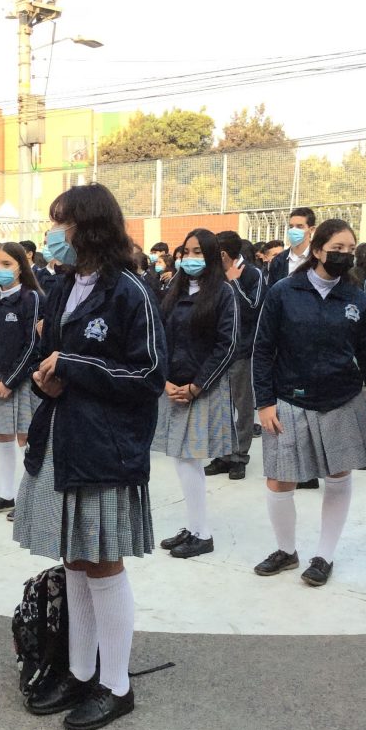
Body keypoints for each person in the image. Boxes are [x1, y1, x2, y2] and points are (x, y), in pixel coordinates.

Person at [11, 184, 160, 730]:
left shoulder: (130, 291)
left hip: (105, 446)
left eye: (62, 222)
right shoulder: (62, 285)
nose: (54, 233)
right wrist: (45, 379)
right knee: (74, 556)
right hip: (63, 437)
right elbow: (46, 356)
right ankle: (78, 671)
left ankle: (116, 685)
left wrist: (73, 367)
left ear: (90, 227)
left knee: (102, 561)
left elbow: (149, 375)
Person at [250, 218, 366, 587]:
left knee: (337, 476)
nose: (344, 255)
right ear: (317, 250)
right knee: (280, 480)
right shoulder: (283, 291)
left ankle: (324, 556)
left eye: (350, 249)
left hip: (341, 400)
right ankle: (286, 550)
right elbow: (263, 349)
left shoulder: (358, 300)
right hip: (289, 398)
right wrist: (264, 403)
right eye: (336, 248)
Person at [150, 230, 240, 560]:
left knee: (189, 459)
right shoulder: (173, 291)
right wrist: (164, 381)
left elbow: (227, 344)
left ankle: (202, 533)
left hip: (200, 388)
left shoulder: (223, 293)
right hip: (173, 386)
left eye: (198, 252)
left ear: (213, 256)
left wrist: (197, 385)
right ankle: (193, 526)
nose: (190, 258)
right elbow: (159, 337)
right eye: (186, 251)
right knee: (182, 458)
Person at [0, 243, 43, 517]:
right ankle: (6, 494)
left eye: (7, 264)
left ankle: (29, 498)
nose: (0, 269)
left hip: (21, 382)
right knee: (2, 436)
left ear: (21, 267)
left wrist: (9, 382)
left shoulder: (31, 298)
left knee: (26, 437)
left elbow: (32, 345)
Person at [208, 231, 267, 481]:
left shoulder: (253, 274)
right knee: (220, 404)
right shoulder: (214, 274)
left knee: (242, 405)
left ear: (223, 254)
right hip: (217, 350)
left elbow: (254, 308)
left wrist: (234, 284)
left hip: (241, 350)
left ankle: (239, 455)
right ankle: (223, 454)